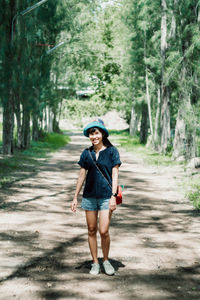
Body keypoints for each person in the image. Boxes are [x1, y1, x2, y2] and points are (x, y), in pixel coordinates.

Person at [71, 119, 122, 275]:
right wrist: (75, 197)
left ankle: (105, 261)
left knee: (104, 230)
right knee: (91, 230)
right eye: (91, 134)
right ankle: (95, 262)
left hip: (107, 196)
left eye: (97, 133)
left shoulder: (112, 151)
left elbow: (115, 174)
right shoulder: (86, 153)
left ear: (103, 134)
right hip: (89, 197)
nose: (94, 137)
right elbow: (81, 176)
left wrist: (113, 196)